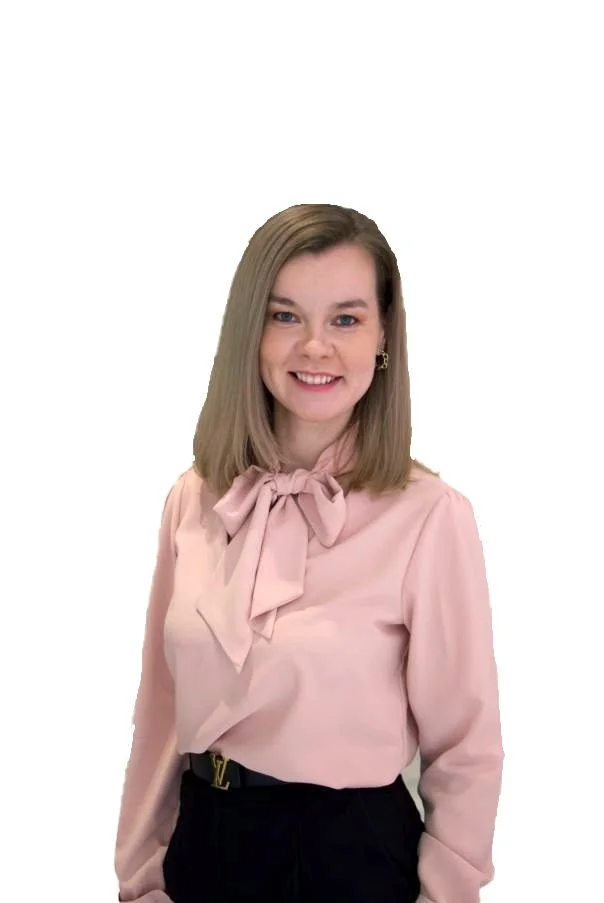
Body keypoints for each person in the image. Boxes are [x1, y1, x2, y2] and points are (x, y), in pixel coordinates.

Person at [114, 203, 503, 903]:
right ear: (251, 334)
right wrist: (142, 875)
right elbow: (161, 710)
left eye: (346, 319)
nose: (315, 347)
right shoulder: (192, 499)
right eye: (286, 316)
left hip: (348, 856)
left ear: (384, 338)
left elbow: (466, 747)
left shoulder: (431, 517)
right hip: (205, 846)